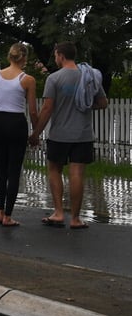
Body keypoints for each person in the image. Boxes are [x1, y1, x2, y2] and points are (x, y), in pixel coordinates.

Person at [29, 41, 108, 229]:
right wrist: (86, 105)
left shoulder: (54, 78)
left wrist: (35, 134)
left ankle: (58, 213)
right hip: (83, 134)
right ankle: (75, 219)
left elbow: (47, 108)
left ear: (61, 56)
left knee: (55, 170)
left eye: (56, 56)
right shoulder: (90, 77)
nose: (55, 59)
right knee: (77, 173)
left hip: (59, 135)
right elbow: (103, 103)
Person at [0, 43, 39, 227]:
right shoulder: (28, 80)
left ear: (9, 57)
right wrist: (36, 133)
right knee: (14, 171)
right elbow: (32, 111)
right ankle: (8, 216)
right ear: (24, 58)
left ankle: (0, 212)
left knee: (1, 169)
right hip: (16, 123)